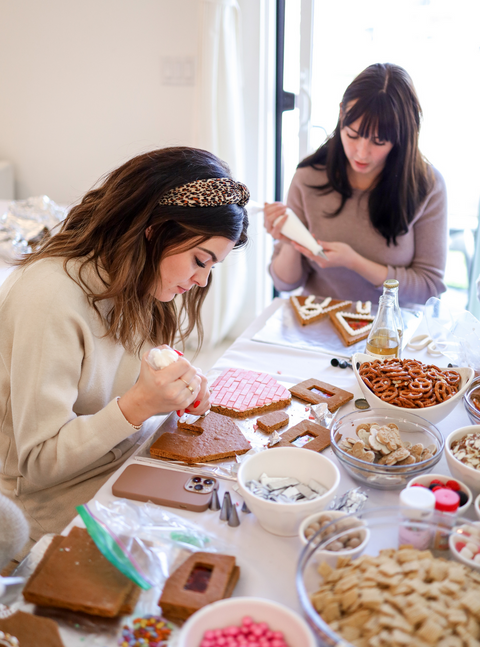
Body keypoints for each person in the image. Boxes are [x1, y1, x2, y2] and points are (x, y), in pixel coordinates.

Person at [0, 147, 249, 549]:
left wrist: (178, 387)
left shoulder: (138, 279)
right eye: (200, 260)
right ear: (155, 229)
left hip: (128, 469)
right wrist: (139, 405)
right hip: (55, 514)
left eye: (211, 267)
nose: (202, 281)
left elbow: (134, 377)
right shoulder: (48, 299)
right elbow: (39, 463)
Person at [265, 63, 447, 306]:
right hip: (318, 320)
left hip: (389, 330)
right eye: (352, 134)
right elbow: (284, 283)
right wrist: (290, 240)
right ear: (342, 113)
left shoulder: (427, 186)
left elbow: (429, 287)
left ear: (401, 135)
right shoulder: (309, 176)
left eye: (379, 141)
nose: (361, 153)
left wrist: (355, 262)